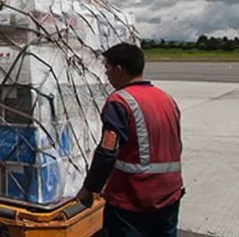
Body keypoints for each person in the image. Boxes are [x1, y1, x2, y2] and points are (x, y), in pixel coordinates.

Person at [76, 42, 184, 236]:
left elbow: (107, 151)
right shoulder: (166, 99)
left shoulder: (119, 101)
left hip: (134, 198)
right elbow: (176, 144)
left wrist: (90, 187)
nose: (107, 75)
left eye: (107, 69)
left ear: (119, 69)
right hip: (169, 193)